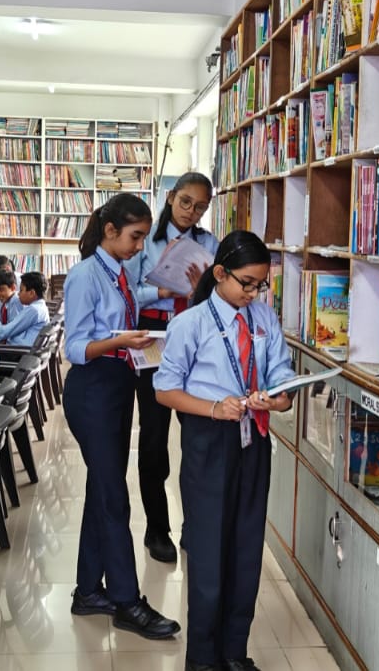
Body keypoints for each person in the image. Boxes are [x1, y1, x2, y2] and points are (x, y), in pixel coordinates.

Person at [154, 230, 295, 671]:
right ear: (220, 274)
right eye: (246, 283)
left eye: (261, 285)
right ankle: (203, 658)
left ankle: (235, 651)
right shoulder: (190, 324)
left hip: (255, 436)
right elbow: (165, 390)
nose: (253, 293)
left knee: (247, 547)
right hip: (209, 440)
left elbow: (283, 379)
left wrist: (278, 398)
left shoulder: (264, 320)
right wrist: (215, 408)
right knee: (210, 549)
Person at [62, 193, 179, 640]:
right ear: (110, 231)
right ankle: (127, 600)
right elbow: (75, 348)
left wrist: (138, 337)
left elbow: (133, 301)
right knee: (114, 496)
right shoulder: (85, 276)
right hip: (92, 390)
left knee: (102, 487)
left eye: (143, 238)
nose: (138, 246)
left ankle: (89, 590)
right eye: (134, 237)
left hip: (116, 387)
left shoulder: (120, 271)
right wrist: (120, 341)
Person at [128, 172, 219, 564]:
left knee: (198, 438)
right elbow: (128, 291)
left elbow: (221, 298)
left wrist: (203, 290)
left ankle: (194, 527)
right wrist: (163, 290)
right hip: (154, 337)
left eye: (200, 207)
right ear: (170, 197)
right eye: (185, 202)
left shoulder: (210, 244)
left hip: (195, 338)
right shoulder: (144, 240)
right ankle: (156, 528)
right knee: (153, 438)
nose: (191, 212)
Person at [0, 271, 49, 347]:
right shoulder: (39, 307)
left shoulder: (33, 310)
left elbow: (5, 332)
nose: (18, 294)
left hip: (19, 353)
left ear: (31, 293)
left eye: (21, 290)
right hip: (23, 349)